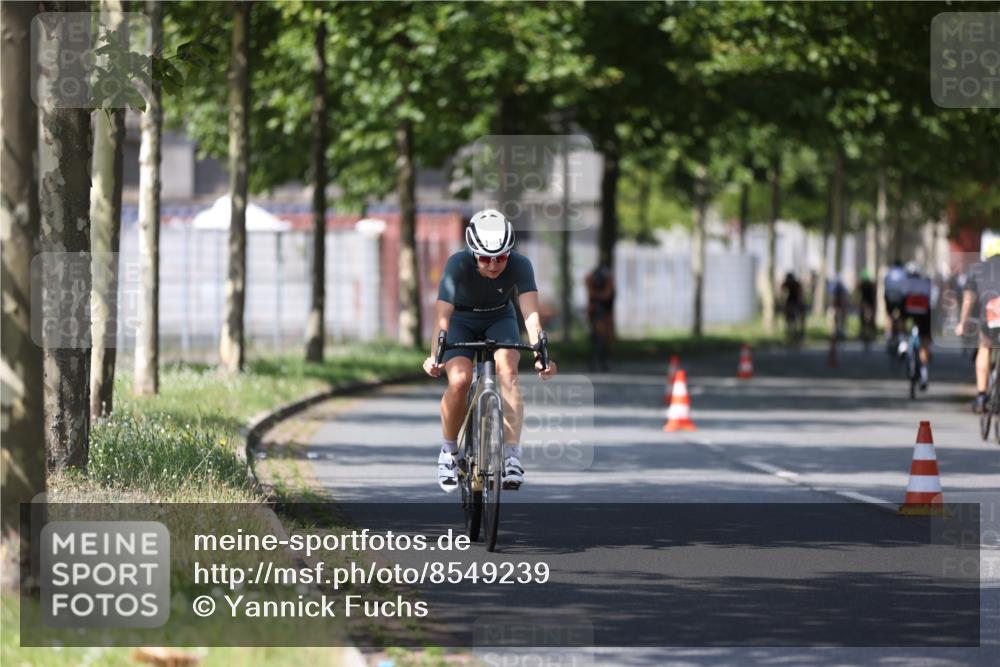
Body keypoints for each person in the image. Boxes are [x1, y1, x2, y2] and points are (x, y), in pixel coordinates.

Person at [423, 209, 558, 492]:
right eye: (485, 258)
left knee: (508, 372)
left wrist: (540, 355)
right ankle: (448, 452)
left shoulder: (521, 264)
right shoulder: (457, 264)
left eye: (501, 257)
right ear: (473, 252)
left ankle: (511, 457)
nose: (494, 265)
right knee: (459, 380)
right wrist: (435, 355)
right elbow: (443, 316)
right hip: (461, 319)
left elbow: (531, 315)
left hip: (500, 317)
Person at [954, 248, 1000, 412]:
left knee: (984, 347)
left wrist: (962, 323)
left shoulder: (977, 269)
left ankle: (981, 396)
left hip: (991, 314)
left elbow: (968, 300)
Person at [900, 262, 933, 390]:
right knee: (924, 344)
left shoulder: (905, 282)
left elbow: (901, 299)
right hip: (924, 313)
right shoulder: (926, 282)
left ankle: (902, 342)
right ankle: (924, 375)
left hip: (908, 311)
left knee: (901, 319)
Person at [585, 264, 615, 371]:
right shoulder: (593, 278)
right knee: (597, 338)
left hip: (604, 312)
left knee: (604, 339)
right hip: (597, 312)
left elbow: (607, 294)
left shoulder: (607, 279)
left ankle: (602, 361)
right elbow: (604, 294)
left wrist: (595, 295)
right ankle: (598, 361)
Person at [884, 259, 907, 345]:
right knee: (901, 317)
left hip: (889, 295)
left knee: (889, 315)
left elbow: (886, 284)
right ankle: (901, 337)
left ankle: (888, 335)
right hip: (900, 296)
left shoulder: (889, 272)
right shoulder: (903, 272)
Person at [780, 272, 804, 343]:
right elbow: (782, 290)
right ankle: (790, 331)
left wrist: (800, 303)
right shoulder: (787, 283)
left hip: (795, 302)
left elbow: (800, 294)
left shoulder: (796, 284)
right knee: (788, 317)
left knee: (796, 317)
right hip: (790, 301)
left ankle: (797, 332)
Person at [857, 270, 877, 343]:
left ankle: (872, 332)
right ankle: (862, 330)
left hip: (870, 303)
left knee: (871, 318)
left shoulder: (871, 285)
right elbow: (858, 291)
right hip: (865, 302)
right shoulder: (862, 284)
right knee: (862, 316)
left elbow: (873, 295)